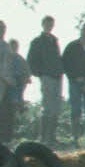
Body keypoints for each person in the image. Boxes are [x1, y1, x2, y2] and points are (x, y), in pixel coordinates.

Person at [28, 15, 64, 147]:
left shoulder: (54, 40)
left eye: (51, 24)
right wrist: (40, 74)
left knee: (56, 107)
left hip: (57, 76)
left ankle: (52, 137)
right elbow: (31, 60)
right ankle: (44, 138)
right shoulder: (37, 41)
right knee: (47, 107)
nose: (49, 26)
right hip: (47, 76)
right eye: (47, 23)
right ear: (43, 24)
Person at [63, 23, 85, 147]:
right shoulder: (72, 46)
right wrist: (75, 77)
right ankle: (75, 137)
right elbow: (65, 64)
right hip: (74, 83)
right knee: (75, 109)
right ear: (81, 31)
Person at [10, 38, 32, 133]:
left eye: (15, 46)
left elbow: (27, 71)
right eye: (12, 46)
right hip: (10, 83)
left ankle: (20, 106)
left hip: (19, 83)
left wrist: (26, 78)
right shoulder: (7, 58)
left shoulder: (20, 58)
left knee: (19, 100)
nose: (14, 48)